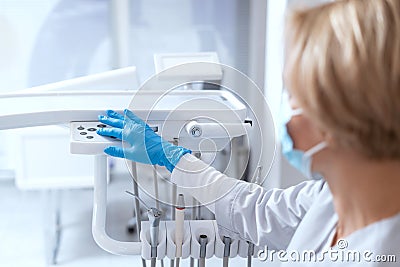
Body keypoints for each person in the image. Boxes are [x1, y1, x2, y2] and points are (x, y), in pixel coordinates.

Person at [97, 0, 400, 265]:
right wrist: (174, 159)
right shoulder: (332, 196)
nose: (286, 114)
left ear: (340, 116)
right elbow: (259, 210)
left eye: (294, 96)